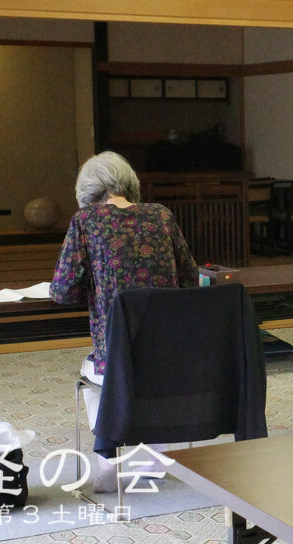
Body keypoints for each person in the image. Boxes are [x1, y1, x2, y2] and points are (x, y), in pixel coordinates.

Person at [50, 151, 200, 488]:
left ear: (88, 189)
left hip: (116, 359)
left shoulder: (86, 221)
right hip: (168, 356)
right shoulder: (162, 216)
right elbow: (190, 279)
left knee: (94, 370)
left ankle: (108, 463)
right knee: (144, 369)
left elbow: (62, 291)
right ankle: (156, 453)